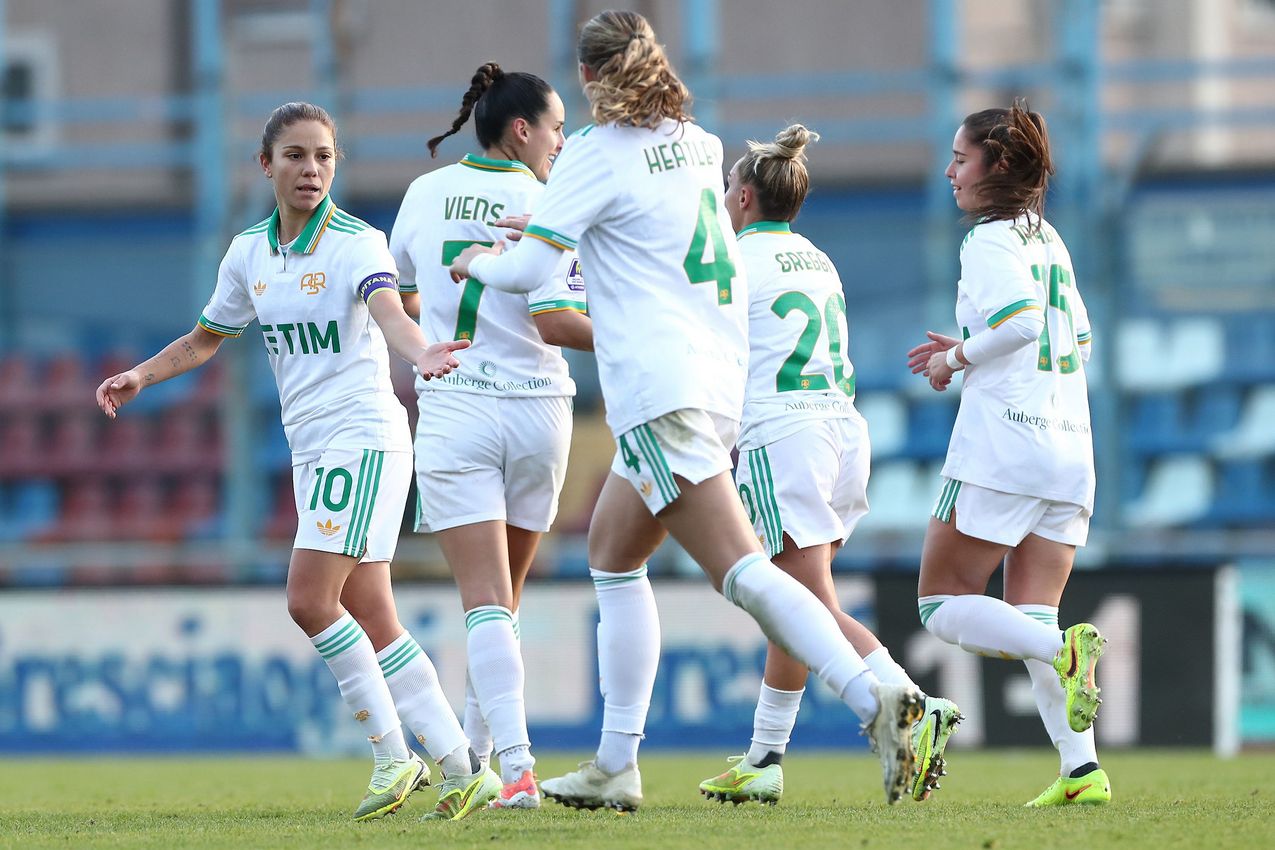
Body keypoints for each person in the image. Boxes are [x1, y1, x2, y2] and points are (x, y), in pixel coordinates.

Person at [451, 10, 924, 810]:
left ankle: (871, 696)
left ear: (591, 77)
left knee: (742, 572)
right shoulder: (699, 144)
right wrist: (553, 225)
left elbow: (533, 271)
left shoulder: (594, 156)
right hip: (715, 377)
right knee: (612, 555)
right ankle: (614, 766)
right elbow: (646, 239)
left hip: (659, 389)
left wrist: (476, 261)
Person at [95, 101, 503, 822]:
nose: (310, 168)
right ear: (267, 165)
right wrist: (140, 376)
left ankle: (391, 757)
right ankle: (462, 768)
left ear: (334, 165)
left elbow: (390, 315)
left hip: (363, 435)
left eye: (322, 156)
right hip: (312, 447)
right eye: (295, 156)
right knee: (372, 613)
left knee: (308, 599)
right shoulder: (250, 251)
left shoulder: (357, 242)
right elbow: (204, 338)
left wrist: (421, 354)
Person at [697, 125, 962, 807]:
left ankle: (906, 701)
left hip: (783, 430)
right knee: (793, 600)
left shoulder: (732, 259)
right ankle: (762, 758)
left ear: (747, 196)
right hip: (840, 428)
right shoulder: (816, 258)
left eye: (729, 187)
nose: (725, 198)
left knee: (802, 603)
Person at [389, 63, 592, 810]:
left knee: (482, 606)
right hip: (541, 409)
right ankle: (484, 761)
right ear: (521, 130)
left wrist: (429, 332)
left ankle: (515, 771)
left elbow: (396, 286)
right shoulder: (549, 199)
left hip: (458, 407)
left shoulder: (423, 192)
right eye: (557, 127)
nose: (562, 141)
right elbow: (558, 320)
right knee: (502, 607)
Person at [905, 100, 1109, 807]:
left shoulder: (989, 241)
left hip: (1006, 445)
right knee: (1034, 614)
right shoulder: (1046, 238)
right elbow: (1076, 339)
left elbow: (1020, 323)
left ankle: (1066, 657)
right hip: (1071, 446)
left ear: (994, 164)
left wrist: (956, 358)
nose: (949, 171)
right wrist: (977, 353)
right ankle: (1080, 772)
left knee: (939, 602)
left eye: (960, 158)